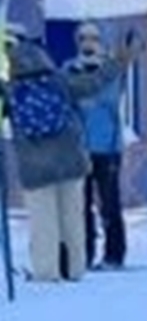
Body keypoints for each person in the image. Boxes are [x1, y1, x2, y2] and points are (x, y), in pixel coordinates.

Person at [4, 32, 91, 282]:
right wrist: (120, 60)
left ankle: (46, 272)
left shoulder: (12, 92)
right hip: (70, 161)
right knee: (72, 219)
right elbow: (94, 83)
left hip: (35, 168)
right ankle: (75, 269)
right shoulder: (60, 82)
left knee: (43, 223)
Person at [63, 21, 139, 269]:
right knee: (80, 206)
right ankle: (84, 253)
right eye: (83, 38)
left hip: (108, 148)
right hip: (79, 149)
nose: (88, 44)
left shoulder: (110, 69)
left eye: (93, 38)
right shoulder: (69, 69)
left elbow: (110, 98)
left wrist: (89, 92)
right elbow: (66, 99)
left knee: (110, 204)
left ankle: (114, 254)